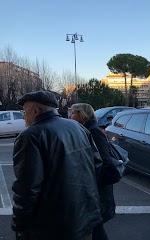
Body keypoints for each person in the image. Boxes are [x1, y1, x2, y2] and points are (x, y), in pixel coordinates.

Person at [12, 90, 103, 240]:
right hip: (86, 219)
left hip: (52, 227)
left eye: (24, 112)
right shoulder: (78, 127)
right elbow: (97, 164)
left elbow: (27, 188)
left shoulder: (30, 136)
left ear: (35, 111)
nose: (23, 117)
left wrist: (19, 224)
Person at [70, 103, 116, 240]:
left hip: (98, 188)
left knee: (95, 226)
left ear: (82, 115)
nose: (70, 116)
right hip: (92, 187)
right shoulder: (84, 130)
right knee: (93, 225)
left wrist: (91, 182)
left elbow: (104, 161)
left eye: (73, 113)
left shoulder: (94, 131)